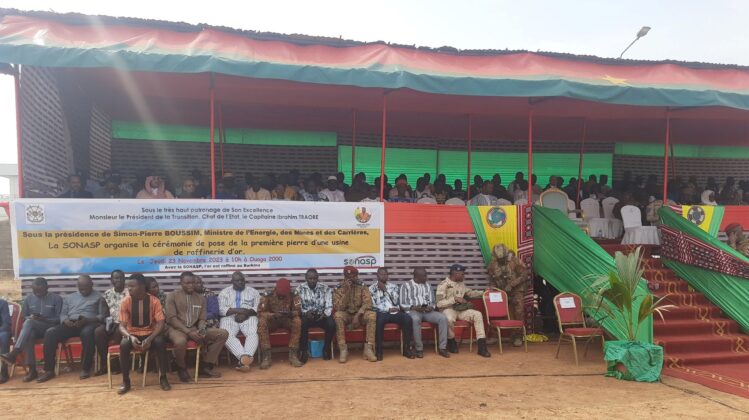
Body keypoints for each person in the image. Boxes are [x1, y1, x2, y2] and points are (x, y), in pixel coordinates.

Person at [37, 275, 102, 382]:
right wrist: (65, 320)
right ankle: (49, 370)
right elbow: (63, 313)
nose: (83, 291)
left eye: (86, 288)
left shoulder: (99, 297)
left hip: (88, 323)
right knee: (50, 332)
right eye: (81, 288)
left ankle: (85, 368)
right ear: (77, 286)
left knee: (87, 333)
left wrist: (88, 320)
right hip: (71, 324)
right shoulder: (70, 297)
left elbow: (101, 316)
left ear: (92, 285)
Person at [166, 272, 228, 382]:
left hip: (194, 329)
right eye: (187, 283)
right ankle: (181, 368)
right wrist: (188, 332)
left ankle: (204, 366)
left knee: (222, 334)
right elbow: (171, 319)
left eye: (192, 283)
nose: (191, 285)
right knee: (180, 342)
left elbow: (202, 319)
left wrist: (202, 330)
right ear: (181, 283)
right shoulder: (172, 296)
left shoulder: (201, 298)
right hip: (177, 329)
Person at [116, 274, 171, 394]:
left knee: (160, 341)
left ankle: (163, 378)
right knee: (124, 344)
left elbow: (161, 323)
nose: (129, 289)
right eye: (128, 286)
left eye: (132, 286)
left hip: (150, 333)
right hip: (133, 334)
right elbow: (121, 326)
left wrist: (150, 338)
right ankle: (126, 381)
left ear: (141, 286)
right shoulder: (125, 301)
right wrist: (130, 337)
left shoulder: (154, 301)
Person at [0, 278, 62, 382]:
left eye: (40, 291)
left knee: (29, 323)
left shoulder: (56, 298)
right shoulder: (28, 299)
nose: (37, 294)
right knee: (29, 334)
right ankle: (32, 370)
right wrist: (32, 318)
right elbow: (25, 317)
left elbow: (59, 319)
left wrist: (43, 319)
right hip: (34, 328)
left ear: (47, 288)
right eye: (34, 291)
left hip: (51, 327)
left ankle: (15, 352)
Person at [436, 264, 491, 357]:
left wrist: (485, 291)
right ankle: (451, 341)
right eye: (462, 274)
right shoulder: (443, 285)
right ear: (455, 274)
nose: (464, 276)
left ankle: (482, 347)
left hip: (461, 310)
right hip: (448, 309)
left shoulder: (461, 284)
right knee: (448, 318)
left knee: (477, 314)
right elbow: (439, 304)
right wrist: (454, 299)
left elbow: (470, 293)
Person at [400, 268, 450, 358]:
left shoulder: (428, 285)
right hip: (414, 311)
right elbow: (402, 303)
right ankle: (419, 349)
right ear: (417, 277)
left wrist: (431, 307)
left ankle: (442, 348)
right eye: (424, 276)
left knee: (442, 318)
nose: (426, 277)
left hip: (427, 311)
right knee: (415, 319)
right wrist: (414, 307)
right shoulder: (406, 286)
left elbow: (433, 302)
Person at [486, 245, 529, 347]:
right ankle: (495, 336)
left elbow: (524, 275)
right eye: (499, 259)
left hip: (517, 290)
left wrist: (512, 284)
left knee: (518, 312)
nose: (501, 260)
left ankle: (517, 337)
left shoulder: (515, 261)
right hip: (501, 291)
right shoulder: (492, 265)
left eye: (503, 258)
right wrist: (492, 288)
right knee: (496, 311)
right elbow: (492, 279)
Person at [368, 268, 415, 360]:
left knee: (407, 319)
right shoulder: (371, 289)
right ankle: (379, 351)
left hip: (395, 312)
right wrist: (387, 309)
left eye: (386, 274)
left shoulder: (394, 287)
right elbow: (372, 306)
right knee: (378, 321)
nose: (384, 276)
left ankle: (407, 349)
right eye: (382, 274)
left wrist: (385, 290)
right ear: (377, 275)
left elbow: (396, 302)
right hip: (381, 313)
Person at [256, 278, 303, 369]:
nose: (283, 296)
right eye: (281, 294)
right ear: (276, 289)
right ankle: (266, 356)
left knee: (297, 321)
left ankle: (293, 355)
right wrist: (273, 315)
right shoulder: (267, 295)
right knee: (261, 322)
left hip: (287, 319)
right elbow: (260, 313)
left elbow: (299, 311)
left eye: (285, 294)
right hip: (273, 320)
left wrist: (290, 313)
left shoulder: (294, 294)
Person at [333, 266, 377, 363]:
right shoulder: (338, 288)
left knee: (372, 315)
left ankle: (368, 349)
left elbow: (368, 303)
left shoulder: (362, 286)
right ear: (344, 277)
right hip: (346, 314)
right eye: (348, 277)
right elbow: (339, 307)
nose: (351, 279)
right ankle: (343, 349)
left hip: (360, 314)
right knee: (337, 316)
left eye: (353, 276)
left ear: (357, 276)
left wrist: (358, 315)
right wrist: (347, 291)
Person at [218, 271, 260, 372]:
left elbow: (257, 307)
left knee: (252, 333)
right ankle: (244, 358)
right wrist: (238, 310)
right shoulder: (224, 293)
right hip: (229, 316)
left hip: (248, 316)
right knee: (226, 334)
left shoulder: (253, 292)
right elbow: (221, 310)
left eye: (242, 280)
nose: (240, 282)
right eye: (237, 281)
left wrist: (245, 314)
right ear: (232, 281)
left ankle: (244, 360)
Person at [94, 270, 129, 376]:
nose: (118, 280)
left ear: (124, 279)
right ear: (111, 280)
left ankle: (117, 364)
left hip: (125, 323)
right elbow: (104, 313)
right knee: (98, 332)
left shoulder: (129, 293)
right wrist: (106, 321)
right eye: (116, 278)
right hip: (111, 323)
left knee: (119, 332)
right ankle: (105, 364)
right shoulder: (107, 294)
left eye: (121, 278)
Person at [296, 269, 335, 363]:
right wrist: (305, 313)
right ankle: (304, 351)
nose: (312, 281)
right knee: (301, 323)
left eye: (314, 278)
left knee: (331, 324)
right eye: (310, 278)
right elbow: (297, 306)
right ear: (306, 278)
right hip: (307, 316)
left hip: (321, 316)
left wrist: (324, 314)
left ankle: (326, 349)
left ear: (318, 278)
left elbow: (329, 305)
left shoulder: (325, 288)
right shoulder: (299, 289)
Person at [0, 298, 10, 383]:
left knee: (4, 336)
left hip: (1, 330)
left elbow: (6, 324)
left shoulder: (2, 303)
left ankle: (4, 371)